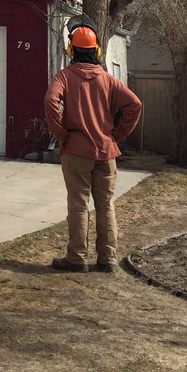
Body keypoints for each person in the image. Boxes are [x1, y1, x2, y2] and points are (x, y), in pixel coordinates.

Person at [44, 20, 142, 273]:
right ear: (97, 50)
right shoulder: (107, 79)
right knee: (105, 204)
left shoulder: (65, 76)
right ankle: (107, 259)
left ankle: (76, 258)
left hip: (76, 150)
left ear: (71, 50)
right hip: (106, 151)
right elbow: (135, 104)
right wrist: (116, 135)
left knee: (78, 204)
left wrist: (61, 134)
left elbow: (51, 100)